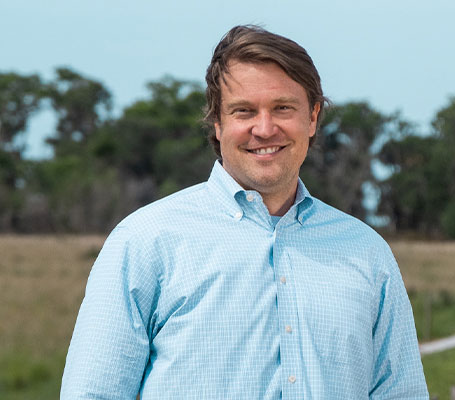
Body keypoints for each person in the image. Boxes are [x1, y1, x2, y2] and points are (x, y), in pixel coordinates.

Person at [61, 25, 428, 399]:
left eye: (283, 108)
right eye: (244, 111)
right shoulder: (145, 242)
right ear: (218, 123)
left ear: (313, 117)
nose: (265, 129)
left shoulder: (367, 252)